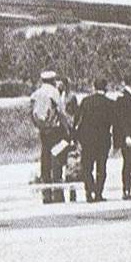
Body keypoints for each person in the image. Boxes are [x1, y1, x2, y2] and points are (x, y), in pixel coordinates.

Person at [30, 70, 69, 203]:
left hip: (43, 130)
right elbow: (61, 112)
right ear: (52, 80)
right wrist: (67, 128)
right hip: (54, 129)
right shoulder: (54, 93)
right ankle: (57, 187)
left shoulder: (36, 94)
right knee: (56, 155)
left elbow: (31, 112)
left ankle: (45, 186)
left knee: (45, 154)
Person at [75, 81, 115, 202]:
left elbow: (77, 120)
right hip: (103, 140)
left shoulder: (86, 101)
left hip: (87, 140)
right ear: (106, 88)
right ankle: (98, 192)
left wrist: (76, 138)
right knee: (101, 167)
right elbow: (114, 123)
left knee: (87, 167)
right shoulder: (109, 103)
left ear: (94, 87)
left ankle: (89, 190)